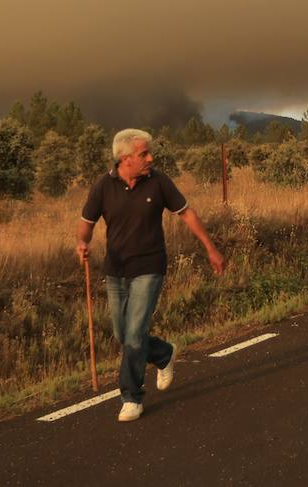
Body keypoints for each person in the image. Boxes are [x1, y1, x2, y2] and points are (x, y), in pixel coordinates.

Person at [76, 128, 226, 422]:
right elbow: (86, 223)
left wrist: (211, 248)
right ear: (125, 158)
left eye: (148, 152)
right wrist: (82, 242)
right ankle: (163, 354)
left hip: (149, 267)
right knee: (123, 334)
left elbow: (187, 214)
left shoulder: (158, 182)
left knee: (133, 335)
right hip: (115, 270)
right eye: (144, 154)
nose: (150, 158)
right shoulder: (103, 186)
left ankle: (131, 397)